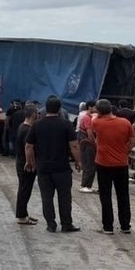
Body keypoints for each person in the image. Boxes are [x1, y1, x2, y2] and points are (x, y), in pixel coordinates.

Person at [24, 95, 82, 233]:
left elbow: (28, 146)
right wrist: (78, 161)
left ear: (45, 108)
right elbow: (74, 146)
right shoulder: (66, 124)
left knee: (46, 197)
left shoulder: (37, 125)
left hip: (43, 168)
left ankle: (51, 224)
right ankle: (67, 224)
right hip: (62, 168)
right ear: (60, 109)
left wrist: (29, 161)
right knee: (65, 197)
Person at [91, 99, 135, 235]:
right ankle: (125, 225)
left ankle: (108, 226)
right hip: (121, 163)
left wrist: (97, 114)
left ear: (99, 111)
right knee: (123, 195)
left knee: (105, 195)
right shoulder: (125, 123)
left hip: (103, 163)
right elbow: (133, 142)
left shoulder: (97, 123)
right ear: (111, 109)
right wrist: (125, 151)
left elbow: (93, 118)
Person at [14, 103, 40, 225]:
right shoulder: (27, 130)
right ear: (34, 114)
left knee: (25, 189)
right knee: (24, 190)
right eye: (37, 113)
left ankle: (24, 213)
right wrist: (30, 162)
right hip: (25, 165)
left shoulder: (22, 127)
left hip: (20, 162)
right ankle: (21, 216)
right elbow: (28, 147)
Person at [77, 100, 97, 193]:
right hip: (88, 144)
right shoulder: (87, 118)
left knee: (89, 164)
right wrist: (95, 144)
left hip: (85, 143)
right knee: (90, 164)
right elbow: (90, 133)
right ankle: (85, 185)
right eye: (95, 107)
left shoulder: (88, 117)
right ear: (90, 107)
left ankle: (86, 185)